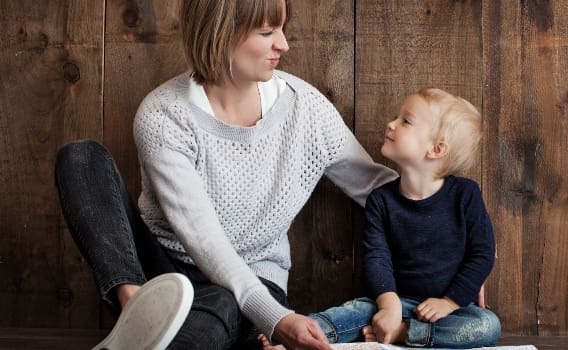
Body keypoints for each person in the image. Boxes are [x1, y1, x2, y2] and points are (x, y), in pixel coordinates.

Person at [53, 0, 397, 349]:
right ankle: (136, 308)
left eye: (281, 29)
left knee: (219, 303)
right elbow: (202, 237)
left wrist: (453, 201)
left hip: (253, 281)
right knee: (81, 158)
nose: (283, 44)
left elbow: (377, 188)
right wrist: (277, 319)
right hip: (162, 271)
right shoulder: (163, 115)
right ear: (220, 34)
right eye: (267, 32)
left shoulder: (306, 109)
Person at [260, 88, 501, 349]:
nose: (391, 124)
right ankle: (296, 336)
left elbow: (482, 254)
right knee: (351, 312)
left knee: (487, 325)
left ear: (436, 149)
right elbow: (377, 257)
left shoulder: (466, 195)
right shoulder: (381, 200)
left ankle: (405, 334)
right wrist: (389, 304)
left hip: (449, 311)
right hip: (393, 300)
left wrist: (450, 302)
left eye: (405, 121)